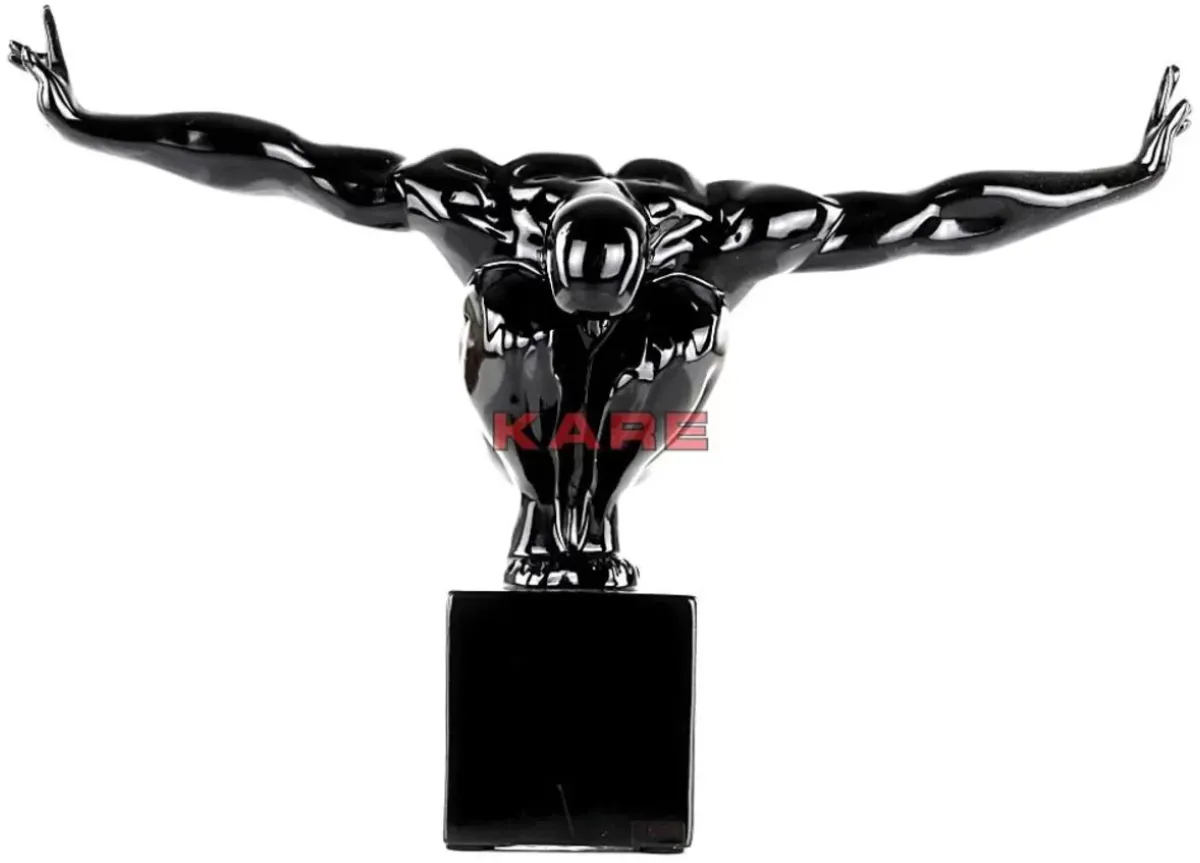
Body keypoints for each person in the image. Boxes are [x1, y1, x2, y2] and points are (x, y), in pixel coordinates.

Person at [10, 8, 1191, 587]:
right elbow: (284, 163)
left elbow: (935, 216)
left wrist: (1120, 179)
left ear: (638, 255)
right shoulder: (483, 216)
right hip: (518, 366)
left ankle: (594, 521)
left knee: (676, 332)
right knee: (516, 310)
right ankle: (546, 520)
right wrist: (87, 120)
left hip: (646, 380)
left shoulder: (727, 239)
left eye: (607, 298)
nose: (596, 318)